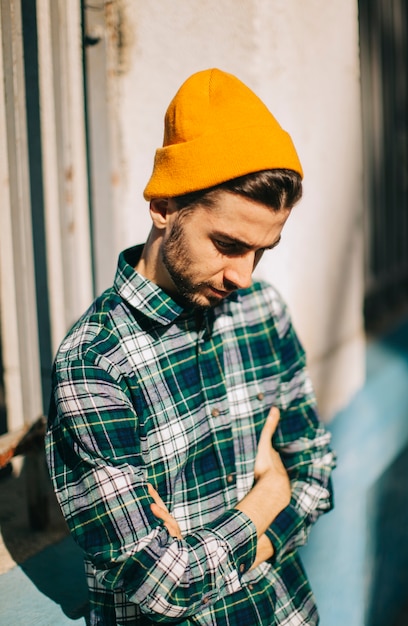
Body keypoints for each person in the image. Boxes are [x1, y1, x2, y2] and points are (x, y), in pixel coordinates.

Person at [46, 68, 336, 626]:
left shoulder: (262, 310)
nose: (244, 276)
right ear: (164, 206)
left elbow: (318, 472)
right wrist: (268, 493)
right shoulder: (94, 362)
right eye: (227, 244)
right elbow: (161, 585)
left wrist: (203, 547)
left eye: (262, 250)